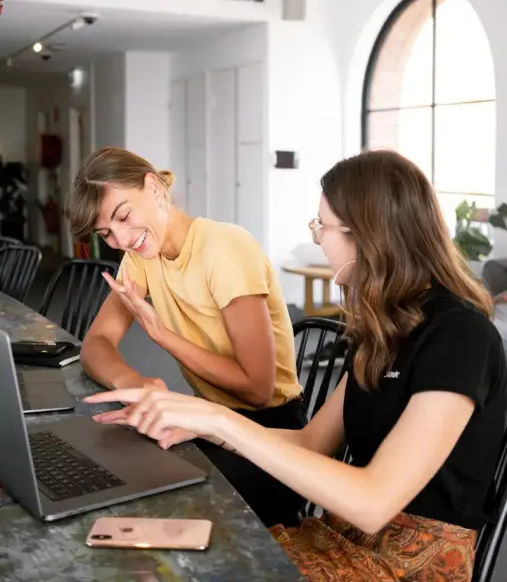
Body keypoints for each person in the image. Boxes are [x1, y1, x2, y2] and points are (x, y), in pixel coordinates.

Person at [86, 149, 507, 582]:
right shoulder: (386, 329)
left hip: (408, 564)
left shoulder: (460, 336)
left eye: (322, 225)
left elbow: (373, 501)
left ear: (367, 233)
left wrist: (218, 419)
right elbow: (310, 442)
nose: (318, 237)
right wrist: (203, 427)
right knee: (158, 557)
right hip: (343, 538)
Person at [67, 146, 306, 527]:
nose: (122, 240)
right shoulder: (143, 257)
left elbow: (258, 389)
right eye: (106, 233)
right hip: (208, 420)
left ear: (154, 187)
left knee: (154, 498)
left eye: (124, 216)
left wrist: (163, 335)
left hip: (271, 437)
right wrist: (135, 382)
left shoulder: (225, 247)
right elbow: (96, 345)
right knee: (115, 465)